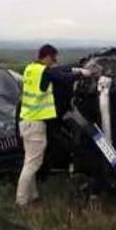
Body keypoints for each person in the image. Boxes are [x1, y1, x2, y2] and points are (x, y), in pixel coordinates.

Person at [16, 44, 92, 206]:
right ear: (48, 57)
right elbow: (62, 78)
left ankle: (33, 195)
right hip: (35, 123)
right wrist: (80, 73)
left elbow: (57, 72)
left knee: (30, 161)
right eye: (54, 58)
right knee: (32, 164)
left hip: (26, 121)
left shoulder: (31, 69)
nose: (55, 62)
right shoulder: (45, 71)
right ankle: (21, 201)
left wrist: (73, 69)